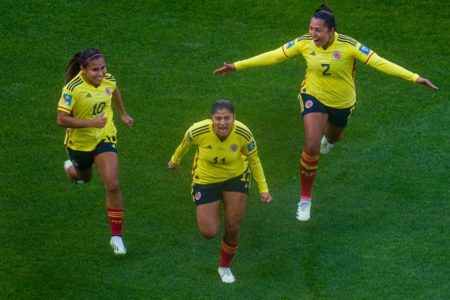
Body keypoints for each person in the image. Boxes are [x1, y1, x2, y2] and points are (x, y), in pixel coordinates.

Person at [214, 4, 438, 222]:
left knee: (333, 138)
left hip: (342, 103)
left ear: (331, 30)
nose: (313, 33)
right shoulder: (304, 43)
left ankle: (328, 141)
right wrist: (237, 65)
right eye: (311, 28)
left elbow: (379, 62)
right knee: (311, 145)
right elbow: (274, 55)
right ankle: (305, 199)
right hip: (313, 96)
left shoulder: (349, 46)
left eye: (318, 30)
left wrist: (414, 77)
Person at [168, 99, 272, 283]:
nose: (222, 123)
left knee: (233, 226)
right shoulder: (198, 131)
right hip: (206, 180)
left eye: (227, 118)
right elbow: (184, 144)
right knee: (209, 232)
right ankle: (218, 206)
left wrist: (263, 190)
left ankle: (224, 266)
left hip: (236, 178)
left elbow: (254, 159)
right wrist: (174, 160)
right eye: (218, 118)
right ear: (211, 118)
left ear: (234, 118)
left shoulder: (243, 133)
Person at [57, 48, 134, 255]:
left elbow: (114, 90)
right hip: (79, 144)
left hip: (104, 137)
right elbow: (61, 119)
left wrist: (123, 115)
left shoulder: (108, 79)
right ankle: (72, 171)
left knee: (112, 184)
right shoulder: (72, 88)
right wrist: (91, 122)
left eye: (102, 68)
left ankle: (116, 236)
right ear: (82, 69)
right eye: (95, 70)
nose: (100, 73)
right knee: (85, 177)